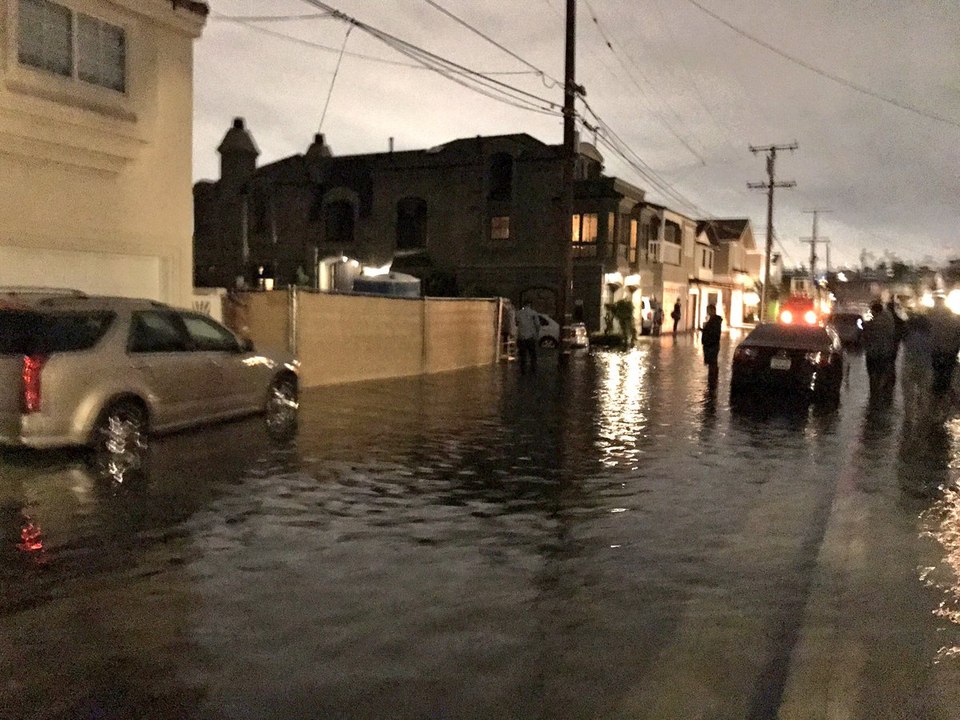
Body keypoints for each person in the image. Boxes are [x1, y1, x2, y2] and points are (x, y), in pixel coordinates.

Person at [929, 295, 960, 417]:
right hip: (949, 354)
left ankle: (938, 407)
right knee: (945, 379)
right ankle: (943, 406)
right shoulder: (955, 320)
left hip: (938, 353)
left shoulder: (935, 320)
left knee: (938, 379)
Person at [901, 312, 932, 425]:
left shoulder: (909, 336)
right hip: (926, 366)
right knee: (924, 392)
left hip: (910, 365)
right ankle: (923, 417)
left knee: (909, 393)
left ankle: (909, 417)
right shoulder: (929, 337)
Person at [861, 300, 896, 396]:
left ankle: (875, 391)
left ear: (874, 311)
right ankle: (880, 388)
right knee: (881, 372)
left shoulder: (874, 323)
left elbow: (867, 334)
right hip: (885, 352)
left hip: (874, 353)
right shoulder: (889, 319)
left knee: (873, 373)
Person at [516, 301, 540, 374]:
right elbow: (537, 325)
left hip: (521, 337)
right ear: (530, 305)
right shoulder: (533, 313)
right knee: (532, 354)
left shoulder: (519, 313)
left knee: (522, 355)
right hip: (531, 337)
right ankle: (533, 369)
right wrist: (536, 334)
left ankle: (523, 370)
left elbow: (516, 323)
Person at [701, 303, 723, 384]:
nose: (707, 312)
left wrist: (706, 330)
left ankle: (712, 380)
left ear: (713, 310)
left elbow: (714, 333)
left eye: (708, 310)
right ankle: (712, 380)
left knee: (712, 363)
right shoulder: (712, 320)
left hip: (712, 345)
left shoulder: (715, 321)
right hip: (710, 345)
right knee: (712, 362)